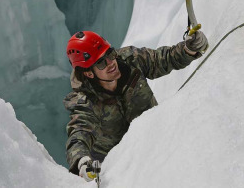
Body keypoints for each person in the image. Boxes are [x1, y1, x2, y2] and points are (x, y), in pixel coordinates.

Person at [63, 30, 208, 181]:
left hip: (155, 141)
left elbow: (163, 59)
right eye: (101, 62)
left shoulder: (131, 60)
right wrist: (82, 161)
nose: (111, 63)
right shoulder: (86, 101)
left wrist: (189, 49)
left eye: (110, 54)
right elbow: (79, 133)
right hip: (115, 167)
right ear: (88, 73)